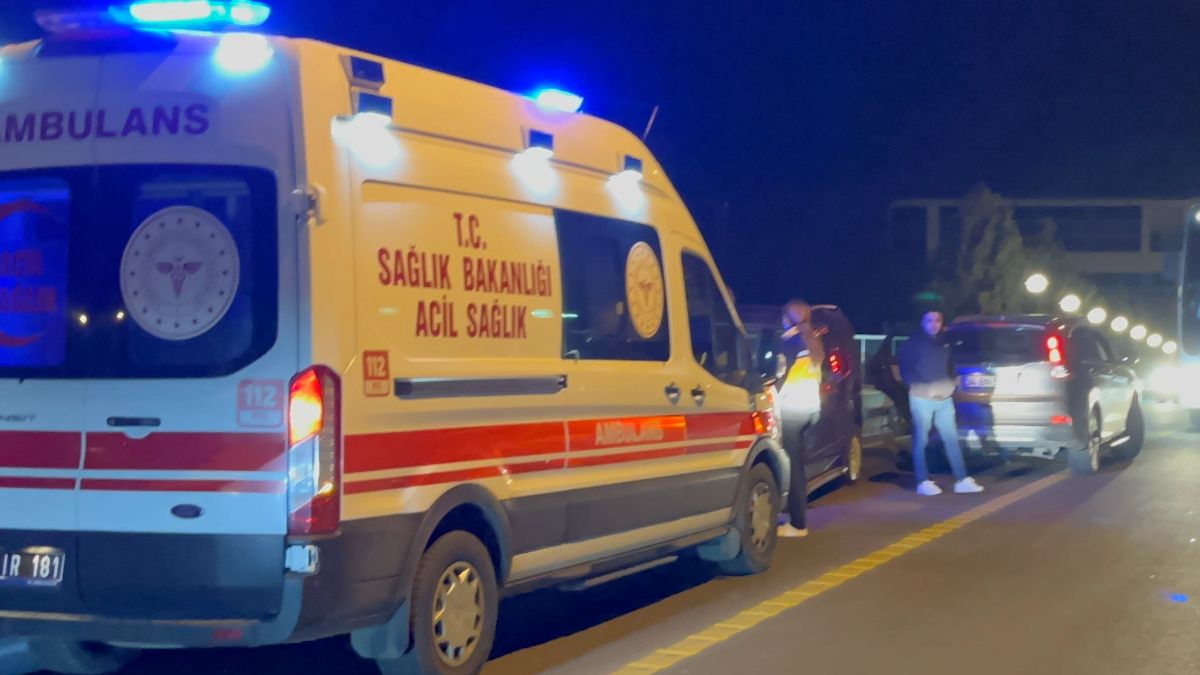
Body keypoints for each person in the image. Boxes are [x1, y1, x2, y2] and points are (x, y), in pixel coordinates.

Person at [896, 310, 984, 496]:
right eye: (929, 320)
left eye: (937, 320)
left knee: (951, 439)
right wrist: (920, 387)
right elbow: (905, 370)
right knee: (921, 440)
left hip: (944, 400)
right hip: (922, 399)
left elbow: (951, 366)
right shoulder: (912, 344)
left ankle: (961, 480)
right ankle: (922, 481)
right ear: (922, 322)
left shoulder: (946, 342)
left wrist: (953, 381)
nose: (933, 324)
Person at [775, 299, 822, 537]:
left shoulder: (790, 343)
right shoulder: (812, 340)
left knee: (793, 467)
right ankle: (799, 515)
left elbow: (778, 376)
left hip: (792, 409)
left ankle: (797, 524)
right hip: (810, 409)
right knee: (799, 466)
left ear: (788, 318)